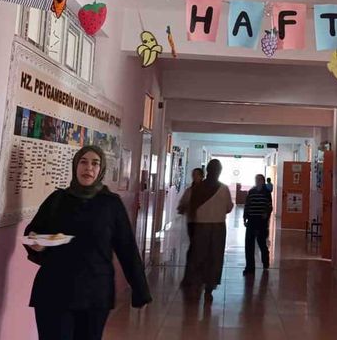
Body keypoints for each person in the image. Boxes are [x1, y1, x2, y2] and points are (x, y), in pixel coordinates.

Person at [24, 145, 151, 340]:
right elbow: (32, 233)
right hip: (55, 289)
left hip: (95, 293)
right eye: (83, 162)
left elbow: (127, 248)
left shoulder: (111, 204)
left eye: (95, 163)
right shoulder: (58, 199)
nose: (88, 168)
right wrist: (36, 243)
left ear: (101, 169)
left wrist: (140, 289)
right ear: (75, 166)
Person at [181, 159, 233, 301]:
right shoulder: (224, 189)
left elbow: (190, 206)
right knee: (215, 257)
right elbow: (229, 207)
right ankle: (209, 286)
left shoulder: (197, 188)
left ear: (207, 171)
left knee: (198, 255)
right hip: (218, 227)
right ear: (219, 172)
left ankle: (196, 282)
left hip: (200, 226)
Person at [177, 166, 205, 285]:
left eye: (197, 175)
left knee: (197, 247)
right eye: (193, 175)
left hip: (203, 222)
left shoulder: (205, 191)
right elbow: (183, 203)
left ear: (202, 176)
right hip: (192, 221)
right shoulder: (189, 190)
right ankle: (191, 275)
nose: (194, 177)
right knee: (194, 246)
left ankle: (196, 274)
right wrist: (182, 208)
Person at [243, 174, 273, 276]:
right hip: (252, 220)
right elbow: (247, 205)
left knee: (261, 243)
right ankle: (249, 267)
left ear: (263, 181)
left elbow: (269, 206)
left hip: (261, 221)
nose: (257, 181)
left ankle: (265, 261)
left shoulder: (267, 193)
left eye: (259, 180)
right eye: (256, 180)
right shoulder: (251, 192)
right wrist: (245, 217)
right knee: (249, 245)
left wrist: (266, 215)